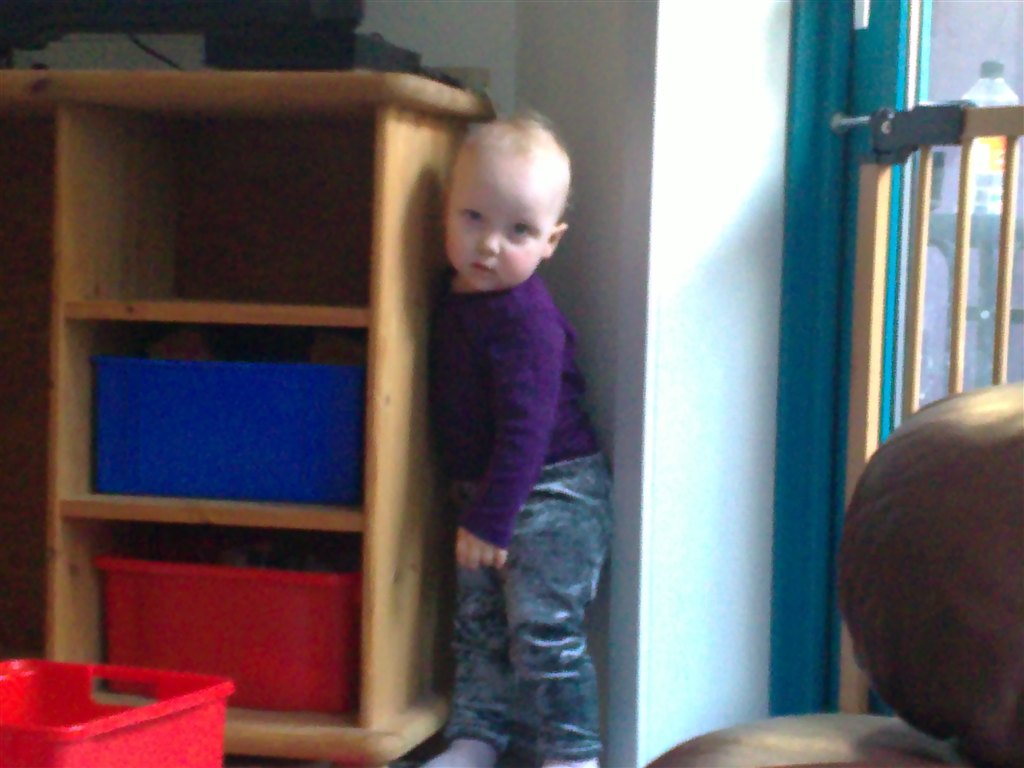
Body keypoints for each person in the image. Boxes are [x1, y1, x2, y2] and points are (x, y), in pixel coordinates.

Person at [425, 113, 612, 768]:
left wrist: (493, 517)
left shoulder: (526, 318)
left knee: (543, 631)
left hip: (555, 488)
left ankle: (573, 755)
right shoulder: (453, 297)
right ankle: (476, 739)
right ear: (446, 210)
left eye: (519, 231)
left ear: (551, 241)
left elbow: (527, 431)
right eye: (473, 218)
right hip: (488, 493)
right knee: (477, 626)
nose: (489, 245)